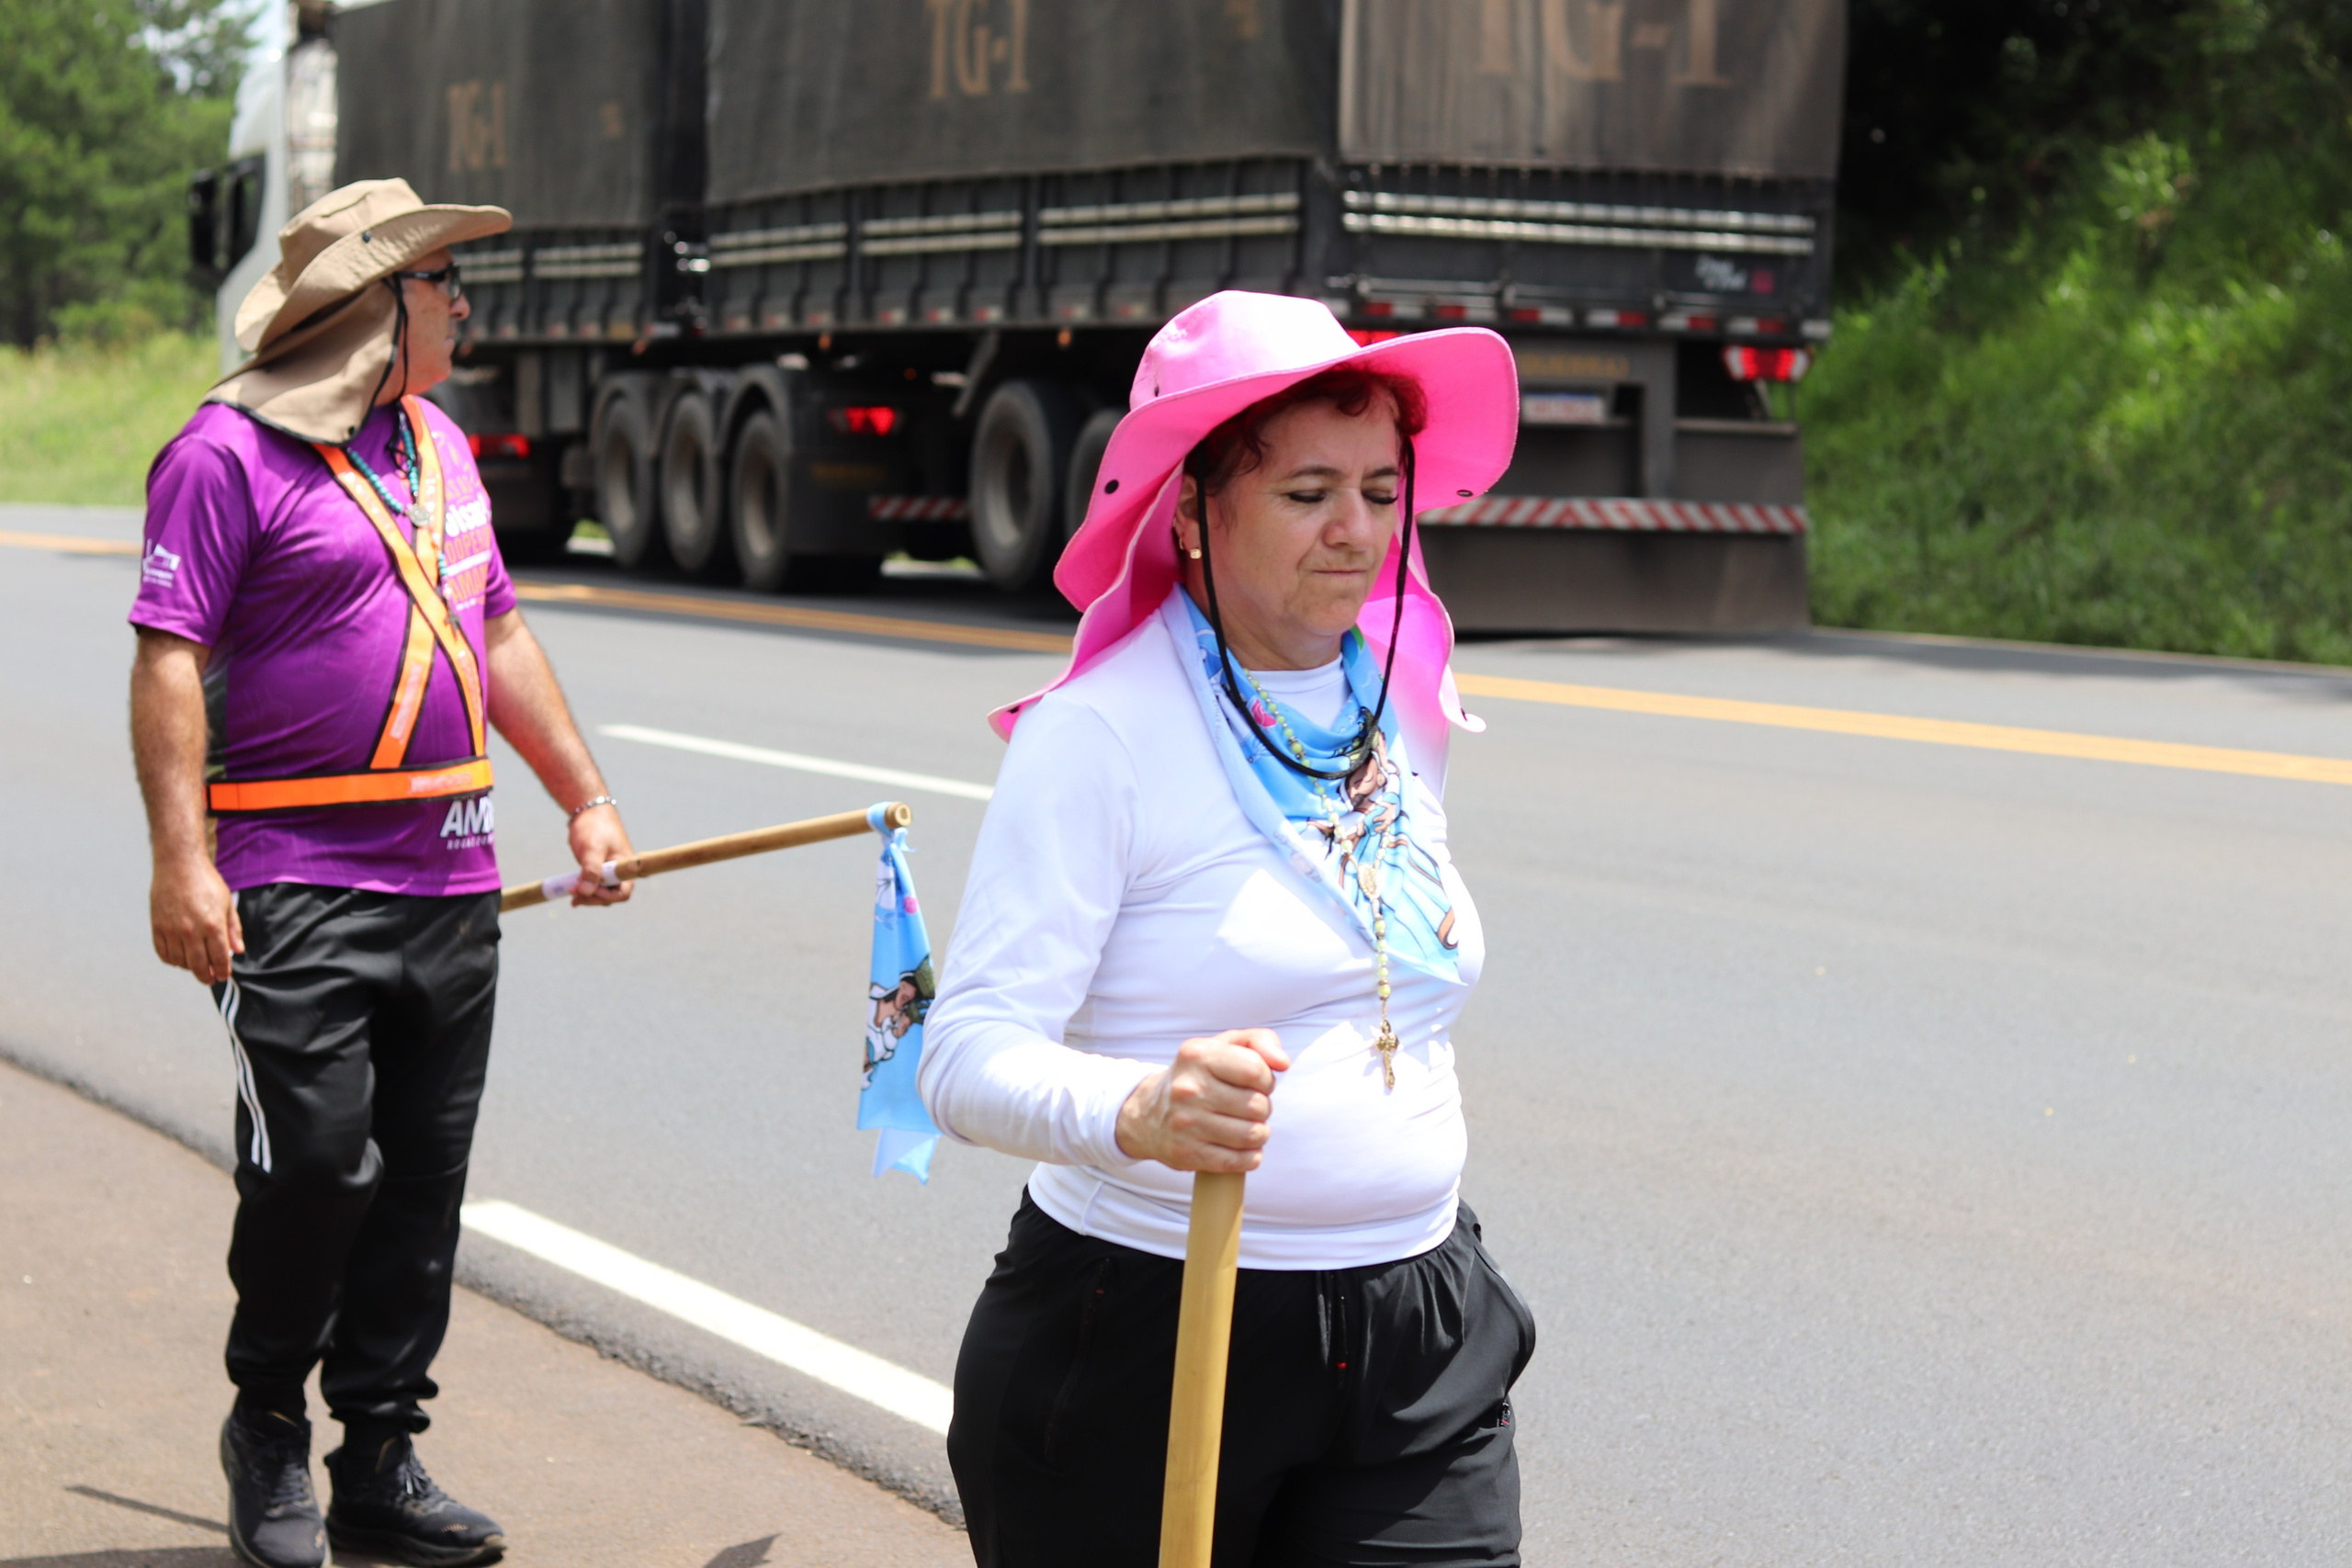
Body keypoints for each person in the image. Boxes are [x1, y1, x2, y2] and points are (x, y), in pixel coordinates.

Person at [922, 291, 1532, 1566]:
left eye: (1381, 490)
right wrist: (1140, 1109)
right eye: (1309, 492)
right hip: (1148, 1331)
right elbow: (964, 1055)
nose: (1357, 529)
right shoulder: (1099, 735)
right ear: (1194, 511)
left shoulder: (1399, 698)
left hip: (1415, 1327)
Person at [129, 178, 636, 1568]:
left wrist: (585, 800)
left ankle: (379, 1460)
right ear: (371, 307)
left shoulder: (442, 448)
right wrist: (181, 863)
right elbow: (168, 656)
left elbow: (499, 632)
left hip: (449, 883)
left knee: (418, 1185)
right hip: (289, 880)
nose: (463, 306)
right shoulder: (223, 455)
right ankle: (266, 1424)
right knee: (315, 1164)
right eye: (441, 285)